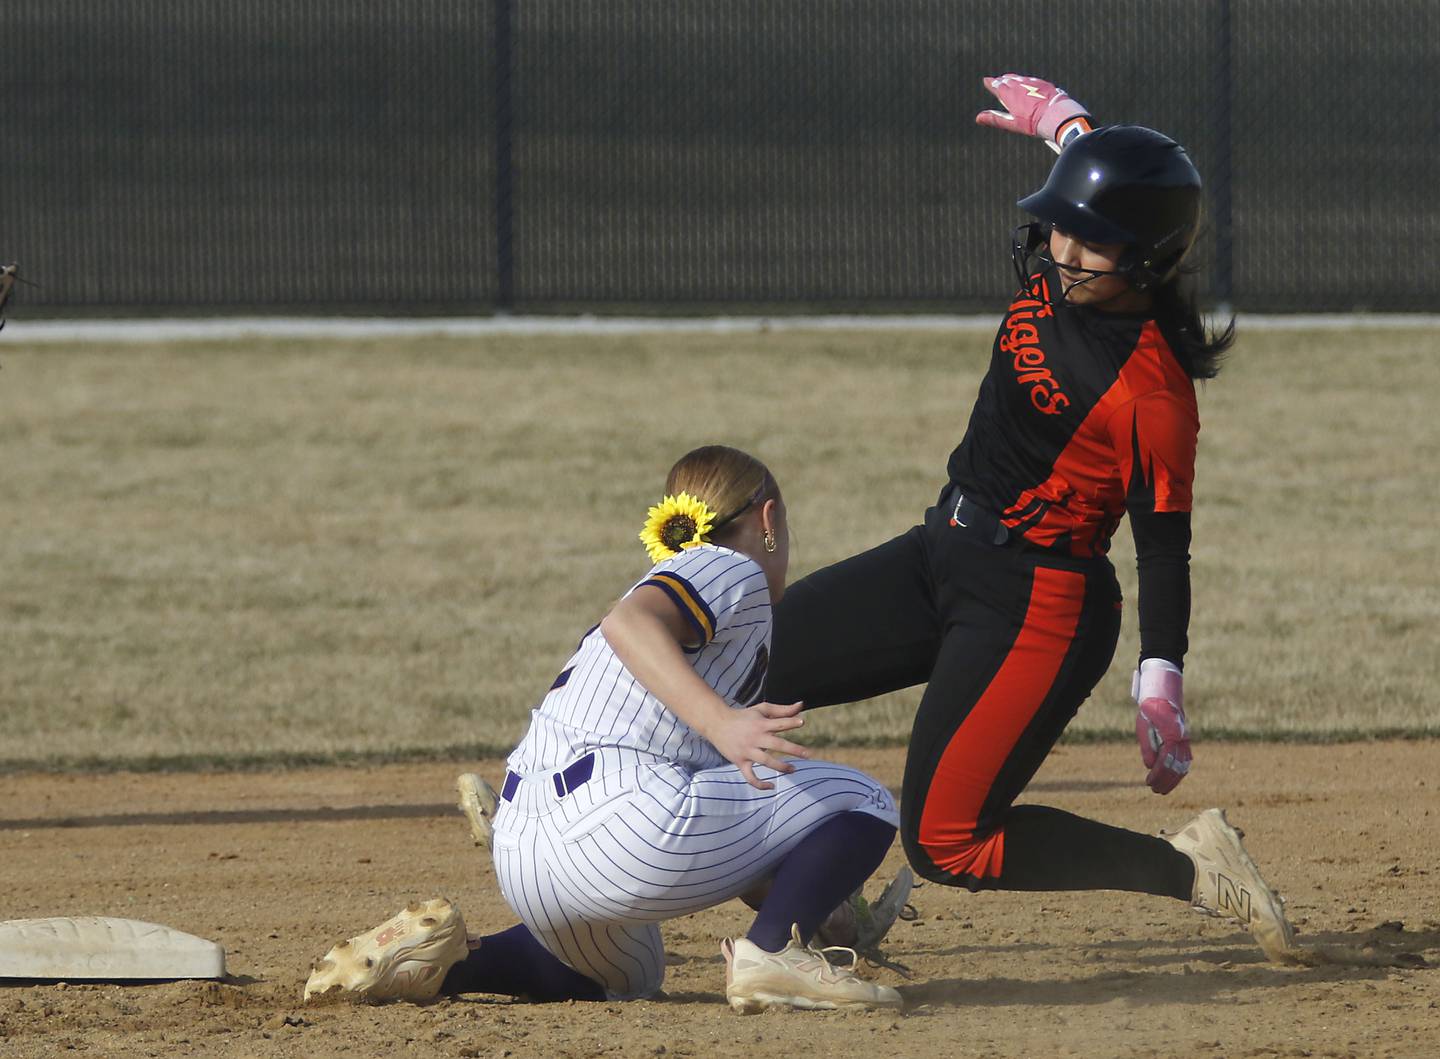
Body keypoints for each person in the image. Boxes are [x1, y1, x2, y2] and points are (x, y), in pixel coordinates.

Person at [763, 74, 1298, 962]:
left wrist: (1159, 678)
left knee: (946, 841)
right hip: (943, 548)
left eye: (1092, 239)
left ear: (1149, 257)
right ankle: (772, 896)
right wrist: (1067, 127)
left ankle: (1191, 867)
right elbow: (1102, 182)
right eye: (1060, 223)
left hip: (1038, 604)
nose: (1064, 247)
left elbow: (1165, 549)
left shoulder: (1151, 395)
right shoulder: (1079, 259)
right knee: (748, 664)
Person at [305, 445, 907, 1012]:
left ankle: (451, 964)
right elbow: (629, 622)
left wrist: (801, 885)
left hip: (524, 847)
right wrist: (724, 723)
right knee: (864, 800)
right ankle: (774, 952)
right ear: (768, 519)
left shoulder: (694, 596)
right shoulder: (729, 567)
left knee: (627, 976)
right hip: (619, 820)